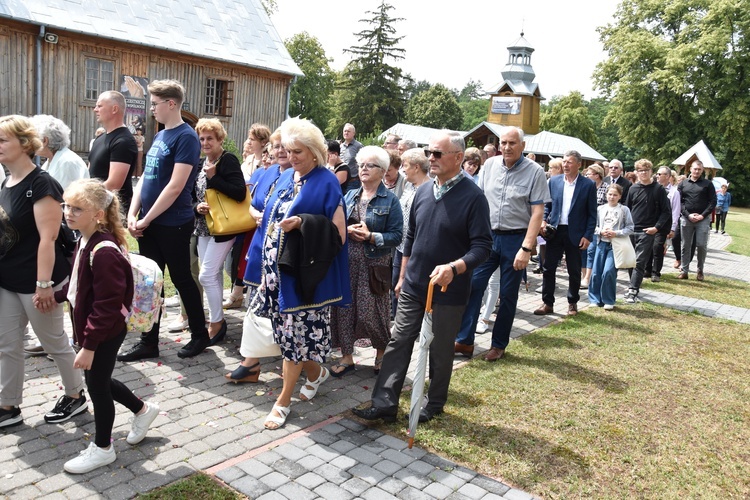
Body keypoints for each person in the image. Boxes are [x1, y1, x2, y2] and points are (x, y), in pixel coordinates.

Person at [353, 130, 491, 423]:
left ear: (458, 157)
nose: (432, 158)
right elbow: (410, 238)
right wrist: (402, 275)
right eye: (430, 153)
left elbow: (482, 247)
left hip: (448, 289)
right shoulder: (424, 191)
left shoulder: (473, 197)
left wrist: (454, 268)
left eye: (438, 153)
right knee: (399, 340)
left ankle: (434, 402)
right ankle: (384, 403)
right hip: (415, 284)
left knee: (440, 348)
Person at [57, 179, 159, 474]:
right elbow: (80, 282)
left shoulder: (104, 251)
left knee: (96, 386)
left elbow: (107, 305)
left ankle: (103, 448)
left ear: (98, 214)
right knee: (98, 380)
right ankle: (143, 409)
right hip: (95, 328)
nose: (68, 213)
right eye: (67, 206)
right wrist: (59, 294)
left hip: (104, 330)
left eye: (77, 208)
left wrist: (89, 346)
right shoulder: (85, 239)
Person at [255, 118, 350, 429]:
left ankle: (283, 400)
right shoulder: (287, 177)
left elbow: (339, 235)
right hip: (278, 274)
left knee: (295, 339)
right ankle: (316, 373)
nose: (291, 156)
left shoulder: (327, 181)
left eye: (298, 151)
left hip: (305, 274)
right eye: (287, 150)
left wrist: (302, 223)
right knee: (289, 338)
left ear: (314, 152)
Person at [0, 115, 86, 429]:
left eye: (2, 140)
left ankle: (76, 396)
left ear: (24, 144)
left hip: (39, 280)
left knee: (53, 343)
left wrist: (44, 284)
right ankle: (8, 404)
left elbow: (48, 238)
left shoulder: (42, 184)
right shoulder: (6, 182)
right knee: (7, 345)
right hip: (8, 279)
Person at [120, 79, 209, 361]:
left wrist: (145, 218)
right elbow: (145, 178)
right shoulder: (159, 136)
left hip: (174, 223)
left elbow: (175, 186)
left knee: (181, 278)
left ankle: (199, 335)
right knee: (150, 282)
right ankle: (149, 341)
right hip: (151, 222)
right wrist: (133, 213)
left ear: (171, 104)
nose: (151, 109)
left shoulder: (187, 137)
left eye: (155, 103)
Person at [454, 127, 549, 360]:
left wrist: (527, 248)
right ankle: (464, 341)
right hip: (487, 237)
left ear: (523, 146)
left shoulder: (535, 172)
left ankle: (498, 344)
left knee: (507, 294)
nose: (506, 147)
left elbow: (538, 212)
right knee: (474, 285)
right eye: (503, 143)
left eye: (512, 143)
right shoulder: (490, 166)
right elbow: (478, 201)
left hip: (516, 239)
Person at [227, 130, 294, 383]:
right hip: (260, 245)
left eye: (284, 147)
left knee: (279, 311)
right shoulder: (267, 173)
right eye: (275, 147)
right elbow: (253, 202)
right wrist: (256, 213)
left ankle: (292, 361)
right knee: (255, 306)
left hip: (285, 252)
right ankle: (251, 362)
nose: (279, 152)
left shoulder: (301, 177)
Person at [330, 146, 402, 377]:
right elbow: (337, 223)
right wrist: (347, 229)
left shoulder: (390, 200)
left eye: (369, 165)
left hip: (374, 263)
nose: (363, 169)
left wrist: (371, 236)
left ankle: (381, 355)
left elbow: (397, 236)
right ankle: (347, 357)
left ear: (382, 171)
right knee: (344, 310)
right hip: (348, 260)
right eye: (361, 165)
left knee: (373, 312)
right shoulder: (350, 194)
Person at [192, 118, 246, 344]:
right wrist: (197, 207)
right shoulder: (201, 162)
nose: (205, 142)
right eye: (202, 138)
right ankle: (216, 319)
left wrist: (215, 178)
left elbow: (240, 193)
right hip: (205, 226)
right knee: (210, 276)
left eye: (210, 138)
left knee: (206, 275)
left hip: (224, 228)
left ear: (220, 139)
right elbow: (195, 195)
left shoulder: (228, 160)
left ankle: (217, 322)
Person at [535, 150, 597, 317]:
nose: (565, 165)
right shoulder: (553, 181)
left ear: (579, 164)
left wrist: (588, 236)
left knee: (574, 270)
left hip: (575, 233)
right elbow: (547, 205)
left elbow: (592, 214)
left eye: (569, 162)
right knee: (548, 268)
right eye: (564, 161)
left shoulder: (588, 185)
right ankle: (547, 303)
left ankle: (572, 303)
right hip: (555, 231)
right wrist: (544, 221)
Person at [223, 123, 272, 309]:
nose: (249, 142)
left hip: (256, 218)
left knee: (246, 257)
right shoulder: (249, 162)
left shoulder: (268, 166)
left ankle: (239, 293)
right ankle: (238, 291)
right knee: (235, 257)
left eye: (252, 139)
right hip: (243, 213)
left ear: (262, 142)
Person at [623, 159, 671, 303]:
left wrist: (656, 228)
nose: (643, 173)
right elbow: (627, 209)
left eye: (646, 170)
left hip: (647, 231)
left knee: (639, 261)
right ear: (636, 172)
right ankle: (633, 285)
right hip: (632, 230)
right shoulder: (633, 189)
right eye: (640, 170)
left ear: (651, 172)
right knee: (631, 260)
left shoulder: (659, 189)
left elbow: (666, 211)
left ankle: (633, 290)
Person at [391, 149, 430, 318]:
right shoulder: (407, 185)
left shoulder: (430, 189)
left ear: (416, 167)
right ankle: (398, 323)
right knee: (396, 284)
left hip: (416, 249)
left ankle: (411, 324)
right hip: (401, 246)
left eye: (405, 166)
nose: (402, 170)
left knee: (410, 288)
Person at [89, 91, 138, 216]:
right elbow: (89, 172)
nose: (95, 110)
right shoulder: (99, 139)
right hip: (95, 205)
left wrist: (85, 195)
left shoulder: (123, 141)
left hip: (111, 212)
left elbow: (114, 184)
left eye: (100, 106)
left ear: (114, 109)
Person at [588, 184, 634, 311]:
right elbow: (593, 225)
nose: (612, 197)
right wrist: (601, 231)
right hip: (601, 243)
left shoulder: (624, 210)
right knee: (596, 272)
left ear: (619, 196)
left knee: (608, 272)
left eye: (615, 195)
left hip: (616, 245)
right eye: (610, 194)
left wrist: (616, 233)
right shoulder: (600, 209)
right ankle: (594, 299)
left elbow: (630, 227)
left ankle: (608, 299)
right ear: (605, 195)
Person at [677, 160, 716, 281]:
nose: (697, 171)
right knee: (685, 245)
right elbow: (679, 202)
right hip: (687, 218)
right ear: (690, 169)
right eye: (695, 169)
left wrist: (702, 215)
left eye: (699, 169)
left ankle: (700, 270)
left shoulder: (708, 184)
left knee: (701, 245)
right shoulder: (683, 184)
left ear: (702, 170)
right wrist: (688, 215)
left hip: (702, 219)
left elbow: (713, 202)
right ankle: (684, 270)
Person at [32, 114, 90, 190]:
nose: (29, 143)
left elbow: (65, 196)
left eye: (32, 139)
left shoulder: (67, 162)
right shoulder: (52, 160)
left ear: (45, 141)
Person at [646, 166, 680, 282]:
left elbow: (675, 211)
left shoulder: (674, 192)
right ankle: (647, 269)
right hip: (651, 222)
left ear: (669, 176)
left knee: (658, 247)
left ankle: (656, 272)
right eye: (658, 174)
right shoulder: (653, 188)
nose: (658, 176)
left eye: (661, 174)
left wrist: (673, 228)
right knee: (649, 246)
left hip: (664, 224)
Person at [581, 164, 609, 288]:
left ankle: (588, 277)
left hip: (599, 225)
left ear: (597, 175)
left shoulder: (606, 188)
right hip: (584, 223)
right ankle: (584, 276)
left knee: (591, 250)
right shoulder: (586, 187)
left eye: (589, 174)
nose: (586, 176)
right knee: (583, 250)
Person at [340, 123, 363, 191]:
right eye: (345, 131)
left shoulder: (358, 146)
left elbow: (362, 163)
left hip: (353, 182)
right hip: (341, 182)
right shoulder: (340, 147)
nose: (346, 133)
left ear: (353, 133)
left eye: (348, 131)